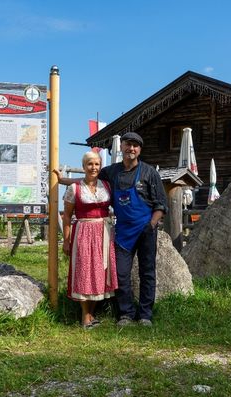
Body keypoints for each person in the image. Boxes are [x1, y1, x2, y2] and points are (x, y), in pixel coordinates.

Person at [56, 132, 167, 327]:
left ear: (139, 149)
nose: (131, 149)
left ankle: (145, 315)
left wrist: (151, 225)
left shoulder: (150, 173)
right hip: (123, 232)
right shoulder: (111, 172)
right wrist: (63, 180)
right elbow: (88, 180)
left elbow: (161, 205)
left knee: (147, 272)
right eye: (127, 145)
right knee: (121, 274)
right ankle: (125, 314)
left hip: (145, 230)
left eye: (135, 145)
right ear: (121, 147)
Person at [61, 151, 118, 329]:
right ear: (84, 166)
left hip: (104, 232)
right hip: (83, 232)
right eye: (90, 164)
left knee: (100, 272)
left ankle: (92, 313)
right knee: (84, 272)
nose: (93, 167)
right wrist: (66, 240)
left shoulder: (106, 186)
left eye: (96, 164)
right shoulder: (75, 188)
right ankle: (85, 316)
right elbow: (67, 216)